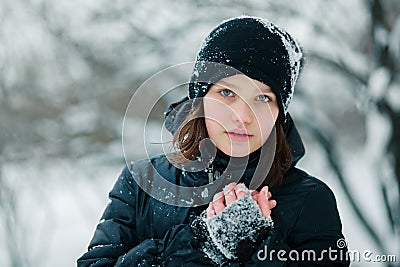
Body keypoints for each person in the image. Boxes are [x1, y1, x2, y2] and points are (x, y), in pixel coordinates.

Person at [77, 16, 350, 266]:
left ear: (280, 113)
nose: (242, 116)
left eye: (263, 98)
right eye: (227, 93)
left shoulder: (310, 201)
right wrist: (198, 241)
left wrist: (254, 249)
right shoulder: (141, 183)